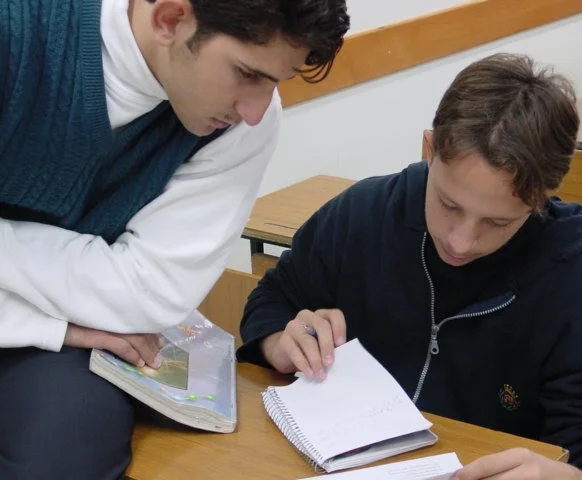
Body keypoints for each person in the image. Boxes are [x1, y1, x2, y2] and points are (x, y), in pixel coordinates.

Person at [237, 53, 582, 479]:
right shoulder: (363, 215)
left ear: (540, 199)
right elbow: (274, 297)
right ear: (429, 149)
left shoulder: (571, 287)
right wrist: (278, 340)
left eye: (497, 222)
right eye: (449, 204)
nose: (460, 242)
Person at [0, 0, 349, 478]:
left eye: (276, 81)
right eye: (247, 73)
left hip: (77, 330)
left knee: (67, 447)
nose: (255, 110)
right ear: (169, 19)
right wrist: (48, 327)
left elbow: (147, 294)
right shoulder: (16, 28)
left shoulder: (241, 127)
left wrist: (52, 330)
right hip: (67, 317)